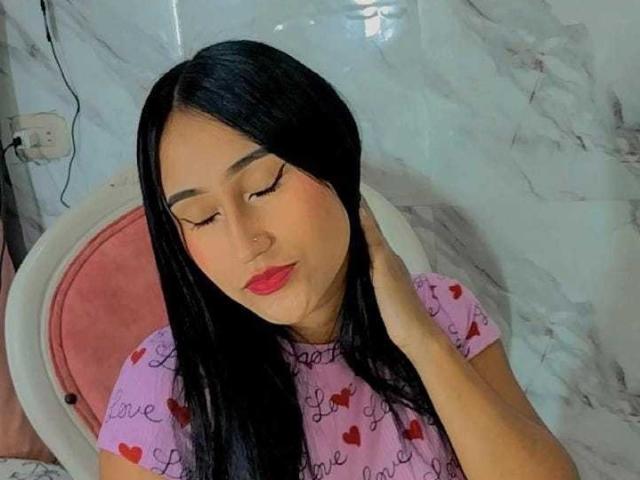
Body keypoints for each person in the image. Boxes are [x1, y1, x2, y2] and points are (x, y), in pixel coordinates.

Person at [97, 39, 579, 480]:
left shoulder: (441, 311)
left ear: (334, 164)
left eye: (264, 187)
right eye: (202, 218)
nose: (245, 244)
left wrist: (421, 340)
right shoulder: (165, 384)